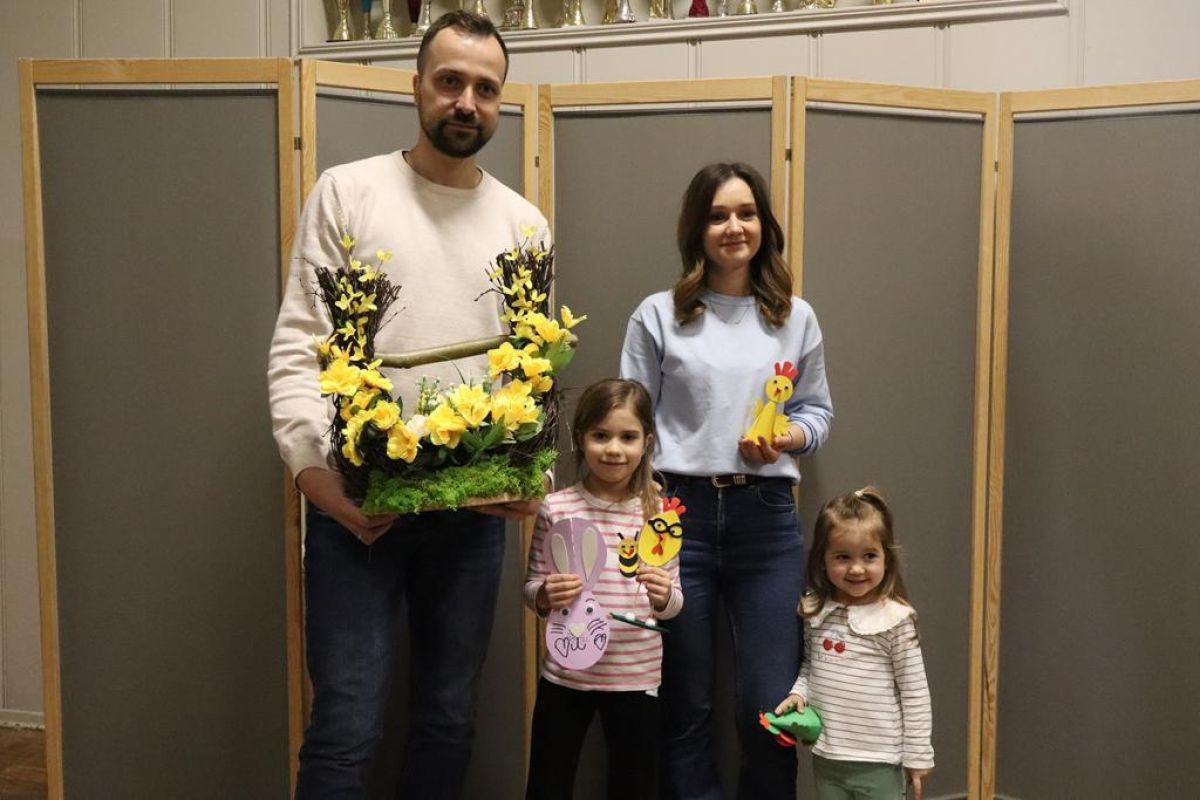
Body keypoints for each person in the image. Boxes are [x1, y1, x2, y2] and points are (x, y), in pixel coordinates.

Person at [267, 11, 548, 798]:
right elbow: (301, 342)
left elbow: (530, 372)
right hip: (358, 507)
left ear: (501, 102)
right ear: (417, 85)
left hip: (471, 522)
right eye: (450, 81)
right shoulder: (348, 193)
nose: (466, 102)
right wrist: (314, 477)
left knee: (449, 718)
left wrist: (528, 471)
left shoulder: (523, 224)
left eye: (485, 88)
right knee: (347, 725)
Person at [619, 161, 834, 799]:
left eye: (746, 213)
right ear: (697, 229)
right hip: (675, 518)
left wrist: (788, 439)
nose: (733, 227)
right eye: (717, 216)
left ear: (764, 225)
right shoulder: (658, 315)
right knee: (685, 702)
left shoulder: (795, 317)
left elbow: (817, 413)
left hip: (765, 521)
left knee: (770, 707)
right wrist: (639, 510)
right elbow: (631, 423)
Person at [523, 378, 683, 800]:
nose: (614, 449)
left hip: (636, 675)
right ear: (580, 439)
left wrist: (664, 595)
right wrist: (546, 594)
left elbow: (673, 603)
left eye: (628, 437)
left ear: (647, 442)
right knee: (548, 781)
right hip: (565, 673)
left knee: (635, 785)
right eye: (601, 435)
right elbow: (531, 589)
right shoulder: (556, 508)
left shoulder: (659, 514)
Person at [773, 488, 934, 800]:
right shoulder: (816, 612)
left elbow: (914, 692)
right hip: (828, 756)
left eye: (869, 556)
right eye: (843, 557)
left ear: (886, 558)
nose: (856, 568)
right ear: (823, 559)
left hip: (880, 761)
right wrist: (798, 693)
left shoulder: (895, 620)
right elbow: (811, 667)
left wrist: (917, 755)